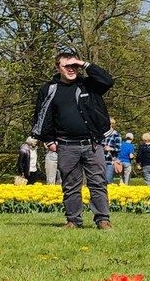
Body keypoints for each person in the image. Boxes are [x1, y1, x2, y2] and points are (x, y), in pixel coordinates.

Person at [29, 47, 115, 229]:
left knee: (98, 183)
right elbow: (42, 115)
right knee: (70, 186)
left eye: (74, 65)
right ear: (58, 67)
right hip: (67, 145)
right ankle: (73, 220)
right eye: (66, 65)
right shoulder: (49, 89)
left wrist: (85, 64)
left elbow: (108, 80)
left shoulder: (89, 85)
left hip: (92, 144)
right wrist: (49, 140)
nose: (71, 69)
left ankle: (103, 220)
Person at [102, 119, 122, 183]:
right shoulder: (102, 135)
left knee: (108, 180)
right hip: (101, 161)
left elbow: (118, 148)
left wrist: (110, 148)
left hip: (110, 161)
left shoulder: (116, 135)